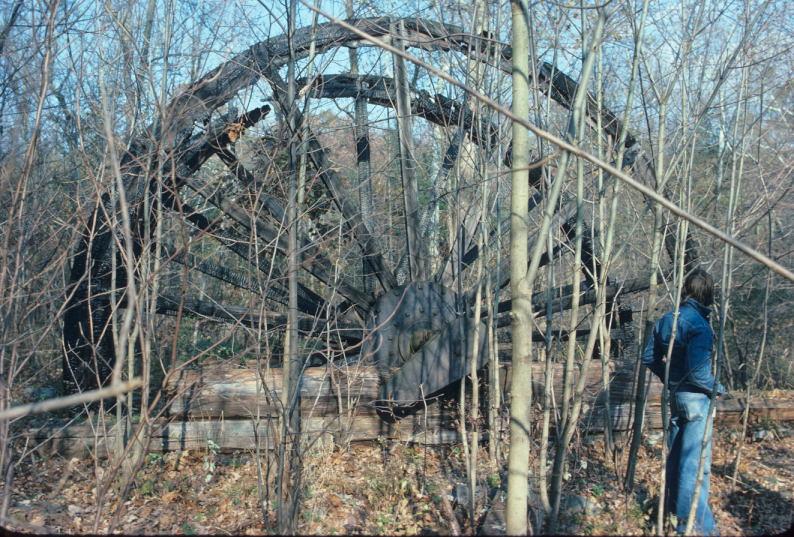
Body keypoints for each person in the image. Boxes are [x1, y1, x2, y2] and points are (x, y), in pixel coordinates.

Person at [643, 268, 723, 535]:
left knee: (676, 461)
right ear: (707, 293)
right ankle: (698, 529)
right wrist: (719, 389)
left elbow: (648, 358)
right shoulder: (700, 326)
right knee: (694, 467)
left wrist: (670, 380)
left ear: (686, 290)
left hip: (676, 397)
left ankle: (675, 520)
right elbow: (699, 372)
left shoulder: (666, 319)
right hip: (697, 402)